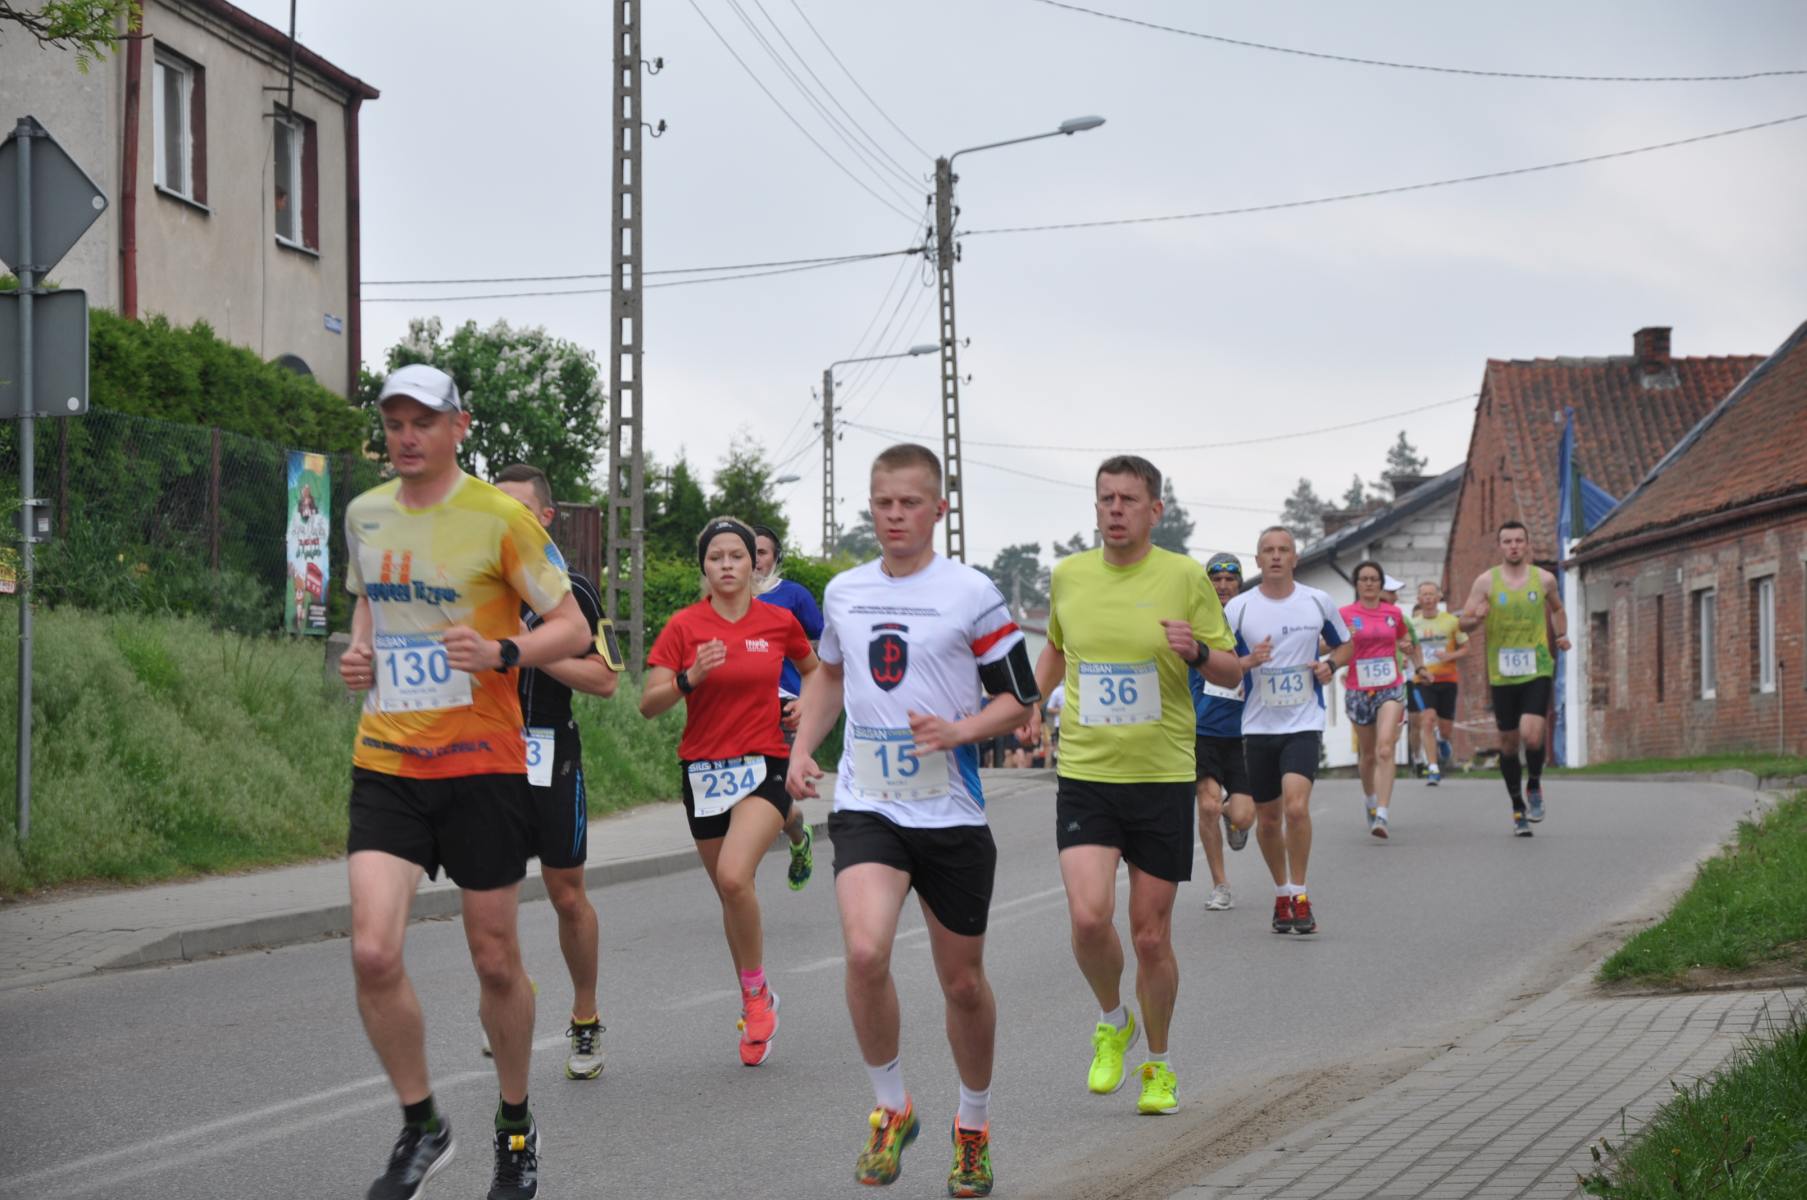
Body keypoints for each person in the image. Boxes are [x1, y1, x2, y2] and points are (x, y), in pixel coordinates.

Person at [339, 363, 593, 1200]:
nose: (406, 436)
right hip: (388, 759)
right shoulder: (364, 513)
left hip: (483, 764)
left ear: (460, 426)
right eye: (394, 422)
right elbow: (371, 601)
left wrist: (502, 652)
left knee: (494, 959)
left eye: (423, 421)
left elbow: (573, 627)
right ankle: (422, 1125)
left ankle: (515, 1126)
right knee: (373, 950)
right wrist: (360, 648)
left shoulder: (500, 518)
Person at [787, 443, 1040, 1197]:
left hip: (950, 810)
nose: (894, 516)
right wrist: (801, 748)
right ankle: (891, 1107)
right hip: (869, 802)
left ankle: (973, 1126)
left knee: (961, 983)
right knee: (865, 952)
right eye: (882, 503)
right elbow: (830, 676)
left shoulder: (971, 594)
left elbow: (1019, 699)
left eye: (909, 503)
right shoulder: (845, 591)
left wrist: (961, 731)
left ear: (938, 509)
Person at [1026, 455, 1239, 1118]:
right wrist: (1030, 701)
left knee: (1149, 936)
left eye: (1127, 499)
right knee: (1090, 917)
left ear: (1155, 510)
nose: (1114, 509)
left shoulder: (1184, 577)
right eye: (1105, 499)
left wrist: (1196, 651)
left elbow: (1231, 671)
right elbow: (1055, 647)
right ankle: (1113, 1020)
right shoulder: (1069, 575)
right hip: (1086, 773)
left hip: (1162, 775)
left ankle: (1159, 1063)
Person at [641, 517, 819, 1066]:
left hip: (764, 763)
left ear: (753, 564)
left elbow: (817, 673)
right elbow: (649, 704)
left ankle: (757, 997)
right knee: (731, 893)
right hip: (703, 773)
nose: (726, 564)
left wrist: (804, 707)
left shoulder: (779, 621)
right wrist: (688, 678)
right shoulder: (684, 627)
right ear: (704, 566)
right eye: (715, 556)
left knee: (734, 876)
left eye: (736, 555)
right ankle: (754, 996)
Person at [492, 464, 618, 1080]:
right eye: (497, 508)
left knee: (567, 895)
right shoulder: (476, 584)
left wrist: (529, 648)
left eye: (519, 509)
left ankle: (585, 1018)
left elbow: (605, 680)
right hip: (487, 753)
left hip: (550, 751)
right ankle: (509, 993)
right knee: (491, 892)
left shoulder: (574, 592)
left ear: (544, 518)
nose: (506, 519)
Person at [1223, 526, 1352, 936]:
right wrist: (1248, 662)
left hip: (1303, 721)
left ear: (1295, 558)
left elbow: (1346, 644)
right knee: (1267, 819)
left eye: (1284, 550)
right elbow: (1220, 665)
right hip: (1258, 725)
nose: (1276, 556)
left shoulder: (1317, 601)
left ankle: (1299, 893)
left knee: (1296, 808)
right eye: (1268, 550)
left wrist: (1330, 666)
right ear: (1258, 560)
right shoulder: (1239, 609)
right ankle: (1281, 892)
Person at [1458, 520, 1570, 835]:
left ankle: (1533, 783)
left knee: (1532, 735)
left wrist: (1561, 634)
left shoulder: (1544, 579)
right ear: (1500, 546)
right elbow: (1463, 622)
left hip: (1537, 666)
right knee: (1508, 744)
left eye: (1519, 540)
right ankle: (1517, 806)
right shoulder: (1486, 582)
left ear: (1527, 544)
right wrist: (1476, 619)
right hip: (1502, 672)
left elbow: (1557, 609)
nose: (1514, 546)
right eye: (1507, 541)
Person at [752, 525, 824, 891]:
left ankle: (797, 836)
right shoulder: (723, 598)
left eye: (762, 552)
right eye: (748, 551)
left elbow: (824, 648)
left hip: (784, 706)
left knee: (774, 792)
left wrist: (809, 696)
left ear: (775, 557)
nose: (754, 560)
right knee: (748, 793)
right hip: (740, 709)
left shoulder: (793, 595)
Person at [1192, 553, 1257, 911]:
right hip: (1201, 729)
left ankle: (1235, 818)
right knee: (1208, 805)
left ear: (1239, 584)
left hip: (1244, 730)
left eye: (1229, 580)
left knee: (1244, 814)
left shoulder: (1251, 621)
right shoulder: (1196, 622)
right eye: (1215, 579)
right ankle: (1220, 885)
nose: (1222, 585)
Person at [1340, 563, 1422, 839]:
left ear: (1380, 584)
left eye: (1374, 579)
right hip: (1358, 689)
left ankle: (1382, 814)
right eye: (1363, 579)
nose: (1369, 583)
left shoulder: (1393, 613)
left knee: (1385, 748)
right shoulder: (1345, 614)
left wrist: (1406, 646)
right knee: (1368, 755)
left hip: (1390, 686)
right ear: (1356, 584)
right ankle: (1370, 799)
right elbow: (1329, 644)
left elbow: (1404, 638)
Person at [1409, 581, 1468, 786]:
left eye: (1431, 594)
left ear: (1438, 597)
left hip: (1447, 680)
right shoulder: (1412, 624)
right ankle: (1433, 768)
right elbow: (1406, 648)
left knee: (1445, 729)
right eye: (1424, 595)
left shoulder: (1451, 621)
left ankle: (1443, 740)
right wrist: (1413, 662)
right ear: (1418, 599)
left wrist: (1450, 655)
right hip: (1423, 680)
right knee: (1427, 719)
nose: (1427, 598)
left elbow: (1466, 648)